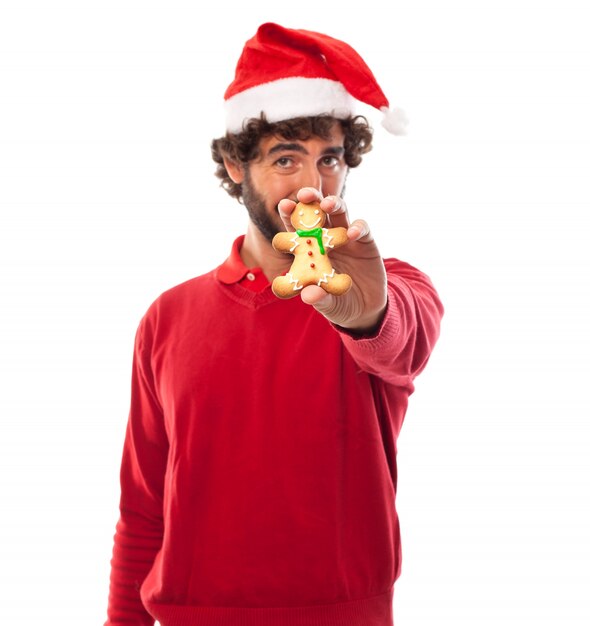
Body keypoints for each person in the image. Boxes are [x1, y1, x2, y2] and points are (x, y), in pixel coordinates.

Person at [104, 22, 444, 626]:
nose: (313, 184)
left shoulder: (389, 284)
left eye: (329, 159)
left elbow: (401, 341)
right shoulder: (166, 318)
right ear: (236, 166)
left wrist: (366, 315)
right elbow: (143, 505)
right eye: (286, 158)